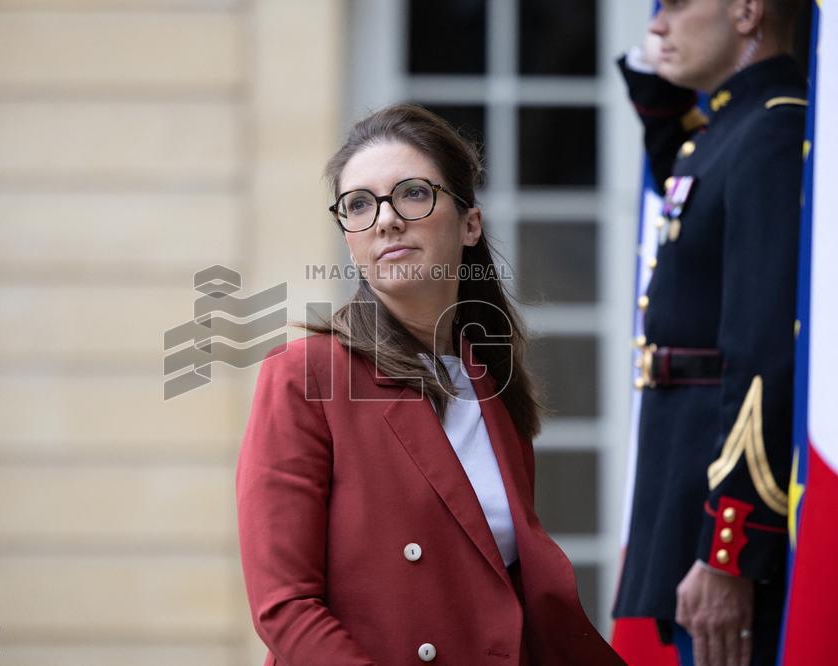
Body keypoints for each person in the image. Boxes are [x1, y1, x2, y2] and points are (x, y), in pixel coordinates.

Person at [236, 104, 624, 665]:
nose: (386, 220)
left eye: (413, 193)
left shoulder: (492, 389)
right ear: (349, 239)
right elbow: (285, 606)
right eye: (360, 205)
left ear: (470, 224)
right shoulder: (305, 376)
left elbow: (512, 599)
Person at [612, 1, 807, 665]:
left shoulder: (776, 131)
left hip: (724, 520)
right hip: (684, 492)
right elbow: (682, 179)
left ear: (748, 10)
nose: (657, 26)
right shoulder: (726, 131)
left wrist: (729, 550)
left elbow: (763, 354)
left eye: (676, 5)